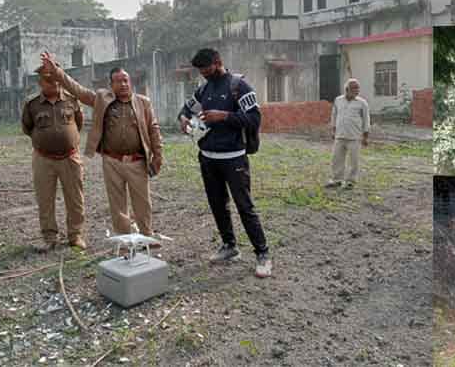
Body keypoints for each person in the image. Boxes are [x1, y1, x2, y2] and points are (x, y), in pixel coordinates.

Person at [39, 52, 163, 238]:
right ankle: (125, 239)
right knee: (117, 203)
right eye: (118, 81)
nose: (123, 84)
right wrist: (56, 71)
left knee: (143, 202)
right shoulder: (101, 99)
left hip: (137, 161)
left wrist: (158, 156)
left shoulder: (143, 103)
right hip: (112, 161)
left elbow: (154, 129)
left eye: (126, 80)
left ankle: (146, 235)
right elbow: (77, 90)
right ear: (111, 85)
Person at [177, 48, 271, 277]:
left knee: (245, 207)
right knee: (218, 205)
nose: (204, 75)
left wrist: (224, 116)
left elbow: (255, 119)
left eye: (207, 70)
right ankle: (229, 246)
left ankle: (263, 254)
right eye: (200, 72)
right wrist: (183, 120)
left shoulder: (238, 87)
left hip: (234, 159)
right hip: (208, 159)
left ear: (218, 62)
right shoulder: (204, 89)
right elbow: (186, 109)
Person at [20, 64, 86, 251]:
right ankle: (49, 237)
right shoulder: (31, 104)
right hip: (43, 159)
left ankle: (76, 235)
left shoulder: (72, 100)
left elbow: (78, 124)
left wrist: (66, 138)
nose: (54, 83)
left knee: (75, 198)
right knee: (45, 199)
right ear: (41, 83)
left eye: (56, 79)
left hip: (70, 158)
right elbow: (27, 127)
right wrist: (45, 140)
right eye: (49, 80)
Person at [326, 78, 371, 189]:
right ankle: (337, 180)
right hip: (340, 135)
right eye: (354, 88)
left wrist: (365, 137)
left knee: (354, 160)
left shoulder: (362, 103)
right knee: (336, 159)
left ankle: (351, 181)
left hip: (354, 136)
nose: (357, 90)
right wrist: (333, 130)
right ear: (347, 89)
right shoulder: (338, 100)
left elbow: (366, 120)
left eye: (358, 88)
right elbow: (334, 116)